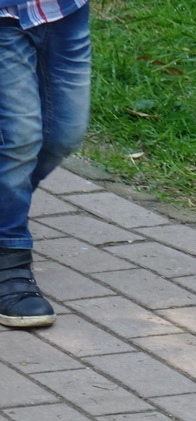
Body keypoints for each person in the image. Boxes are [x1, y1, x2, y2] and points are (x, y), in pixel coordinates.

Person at [0, 1, 91, 329]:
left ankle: (6, 214)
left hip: (63, 10)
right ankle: (10, 260)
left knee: (63, 134)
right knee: (18, 141)